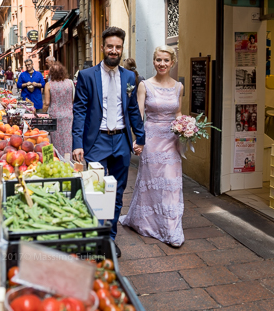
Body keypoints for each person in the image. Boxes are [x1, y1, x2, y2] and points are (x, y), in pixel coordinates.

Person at [72, 26, 145, 256]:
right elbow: (80, 111)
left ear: (122, 49)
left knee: (117, 191)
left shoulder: (129, 77)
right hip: (97, 142)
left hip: (121, 142)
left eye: (118, 47)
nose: (114, 50)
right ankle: (95, 237)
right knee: (96, 191)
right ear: (102, 47)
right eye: (110, 46)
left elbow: (133, 110)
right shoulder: (87, 76)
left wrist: (140, 137)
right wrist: (77, 143)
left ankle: (110, 238)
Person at [120, 45, 185, 248]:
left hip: (172, 140)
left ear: (172, 62)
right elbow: (138, 114)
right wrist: (137, 139)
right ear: (154, 61)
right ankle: (146, 221)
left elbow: (178, 113)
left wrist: (185, 126)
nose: (162, 64)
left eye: (166, 60)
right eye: (158, 60)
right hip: (152, 139)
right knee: (152, 181)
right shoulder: (144, 85)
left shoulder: (178, 87)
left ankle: (171, 228)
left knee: (171, 183)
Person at [43, 62, 74, 156]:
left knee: (56, 139)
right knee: (68, 139)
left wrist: (43, 114)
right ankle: (68, 160)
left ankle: (58, 157)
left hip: (54, 116)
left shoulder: (49, 85)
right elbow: (72, 99)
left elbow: (47, 103)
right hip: (68, 115)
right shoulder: (70, 83)